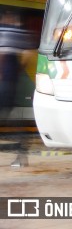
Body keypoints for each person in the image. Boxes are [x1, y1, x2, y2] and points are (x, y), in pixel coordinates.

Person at [0, 10, 34, 167]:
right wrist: (18, 69)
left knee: (8, 118)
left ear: (8, 17)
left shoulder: (6, 31)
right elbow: (28, 54)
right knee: (10, 118)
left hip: (4, 82)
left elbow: (1, 54)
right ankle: (22, 152)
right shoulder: (19, 33)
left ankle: (21, 151)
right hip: (11, 82)